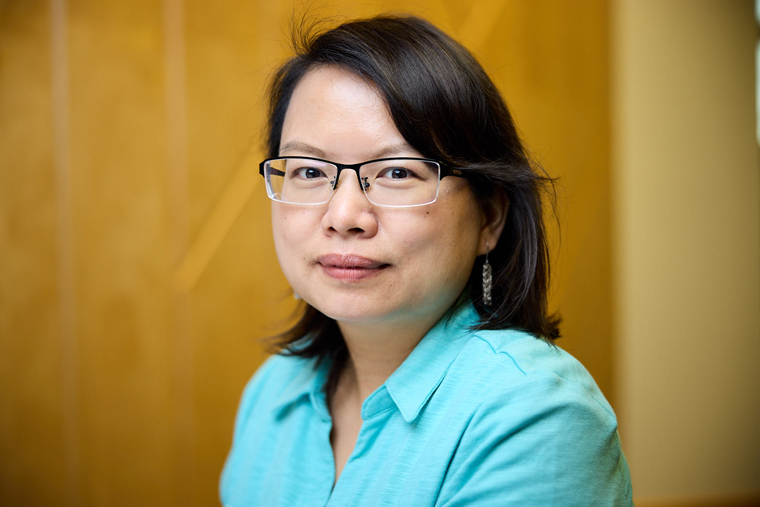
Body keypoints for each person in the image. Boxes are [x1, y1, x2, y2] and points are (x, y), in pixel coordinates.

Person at [221, 14, 632, 506]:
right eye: (309, 170)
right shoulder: (272, 394)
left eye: (396, 171)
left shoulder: (536, 412)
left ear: (490, 218)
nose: (344, 215)